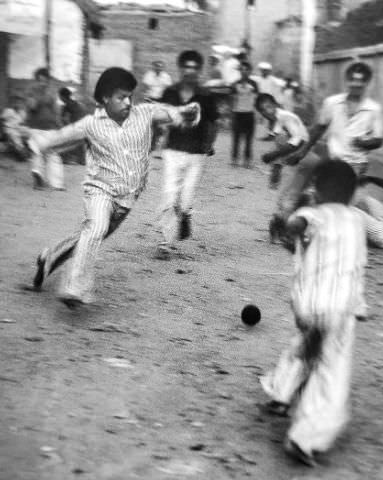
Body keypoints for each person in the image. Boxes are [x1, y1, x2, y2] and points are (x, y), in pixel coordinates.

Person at [27, 67, 200, 308]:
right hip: (99, 190)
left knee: (88, 237)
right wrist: (37, 143)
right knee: (95, 228)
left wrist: (186, 112)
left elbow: (170, 114)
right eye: (121, 97)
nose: (128, 102)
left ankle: (48, 259)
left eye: (130, 96)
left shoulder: (144, 113)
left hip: (127, 198)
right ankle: (74, 288)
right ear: (105, 98)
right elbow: (60, 137)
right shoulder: (91, 124)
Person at [260, 159, 367, 466]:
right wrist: (359, 304)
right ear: (352, 193)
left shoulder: (313, 213)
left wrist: (286, 226)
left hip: (310, 304)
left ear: (316, 190)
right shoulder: (357, 220)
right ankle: (304, 438)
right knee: (331, 374)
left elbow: (298, 228)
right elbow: (358, 265)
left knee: (306, 347)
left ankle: (280, 394)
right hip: (339, 307)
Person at [156, 50, 219, 259]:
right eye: (186, 67)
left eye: (194, 68)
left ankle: (185, 214)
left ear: (199, 70)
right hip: (173, 150)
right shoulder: (170, 92)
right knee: (169, 194)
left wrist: (208, 145)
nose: (190, 71)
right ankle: (166, 243)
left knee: (186, 198)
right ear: (180, 68)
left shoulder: (206, 96)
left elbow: (213, 122)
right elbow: (160, 118)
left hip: (196, 153)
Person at [294, 62, 383, 180]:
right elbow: (319, 129)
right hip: (332, 159)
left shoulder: (374, 109)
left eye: (361, 81)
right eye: (352, 80)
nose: (356, 84)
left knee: (344, 194)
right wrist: (303, 151)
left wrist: (363, 143)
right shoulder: (332, 103)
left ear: (367, 83)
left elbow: (379, 140)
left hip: (356, 163)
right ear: (347, 81)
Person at [255, 93, 321, 245]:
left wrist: (272, 155)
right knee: (292, 196)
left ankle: (282, 231)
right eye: (263, 109)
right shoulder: (275, 123)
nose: (268, 111)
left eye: (269, 106)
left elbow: (297, 141)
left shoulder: (285, 116)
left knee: (288, 198)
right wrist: (275, 167)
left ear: (275, 104)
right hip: (295, 163)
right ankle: (284, 231)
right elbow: (280, 144)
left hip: (304, 160)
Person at [26, 67, 63, 190]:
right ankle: (38, 180)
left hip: (50, 127)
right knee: (37, 153)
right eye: (40, 80)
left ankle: (57, 184)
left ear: (48, 80)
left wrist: (59, 125)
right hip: (36, 128)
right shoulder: (31, 91)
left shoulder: (52, 92)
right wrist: (39, 95)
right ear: (36, 80)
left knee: (53, 154)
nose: (43, 82)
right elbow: (32, 107)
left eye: (45, 80)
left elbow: (56, 110)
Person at [229, 61, 258, 168]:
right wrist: (231, 112)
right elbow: (232, 99)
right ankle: (234, 159)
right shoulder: (235, 84)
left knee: (248, 139)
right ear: (240, 71)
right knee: (236, 138)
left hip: (249, 114)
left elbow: (256, 99)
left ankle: (247, 160)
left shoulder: (254, 84)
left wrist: (257, 113)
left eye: (247, 69)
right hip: (238, 114)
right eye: (242, 69)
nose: (244, 71)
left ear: (250, 71)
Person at [58, 87, 87, 165]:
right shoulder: (75, 104)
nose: (59, 98)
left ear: (62, 97)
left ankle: (67, 159)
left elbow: (64, 120)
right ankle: (82, 160)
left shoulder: (67, 106)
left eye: (60, 96)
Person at [1, 95, 29, 160]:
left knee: (30, 131)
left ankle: (33, 150)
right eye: (16, 102)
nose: (18, 104)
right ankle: (21, 153)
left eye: (20, 103)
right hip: (9, 128)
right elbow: (1, 120)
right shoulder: (8, 111)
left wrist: (23, 127)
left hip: (19, 128)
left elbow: (24, 122)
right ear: (13, 103)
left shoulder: (22, 112)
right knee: (14, 135)